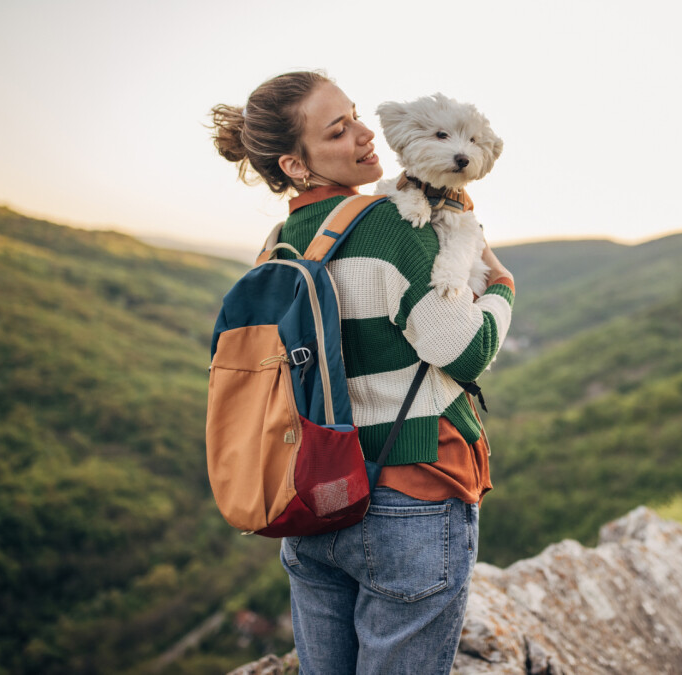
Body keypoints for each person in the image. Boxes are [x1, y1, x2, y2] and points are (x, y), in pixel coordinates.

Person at [211, 71, 514, 674]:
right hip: (410, 493)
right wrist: (502, 286)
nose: (364, 132)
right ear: (295, 165)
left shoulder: (282, 243)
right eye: (338, 128)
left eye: (354, 114)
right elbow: (465, 350)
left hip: (314, 495)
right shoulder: (388, 223)